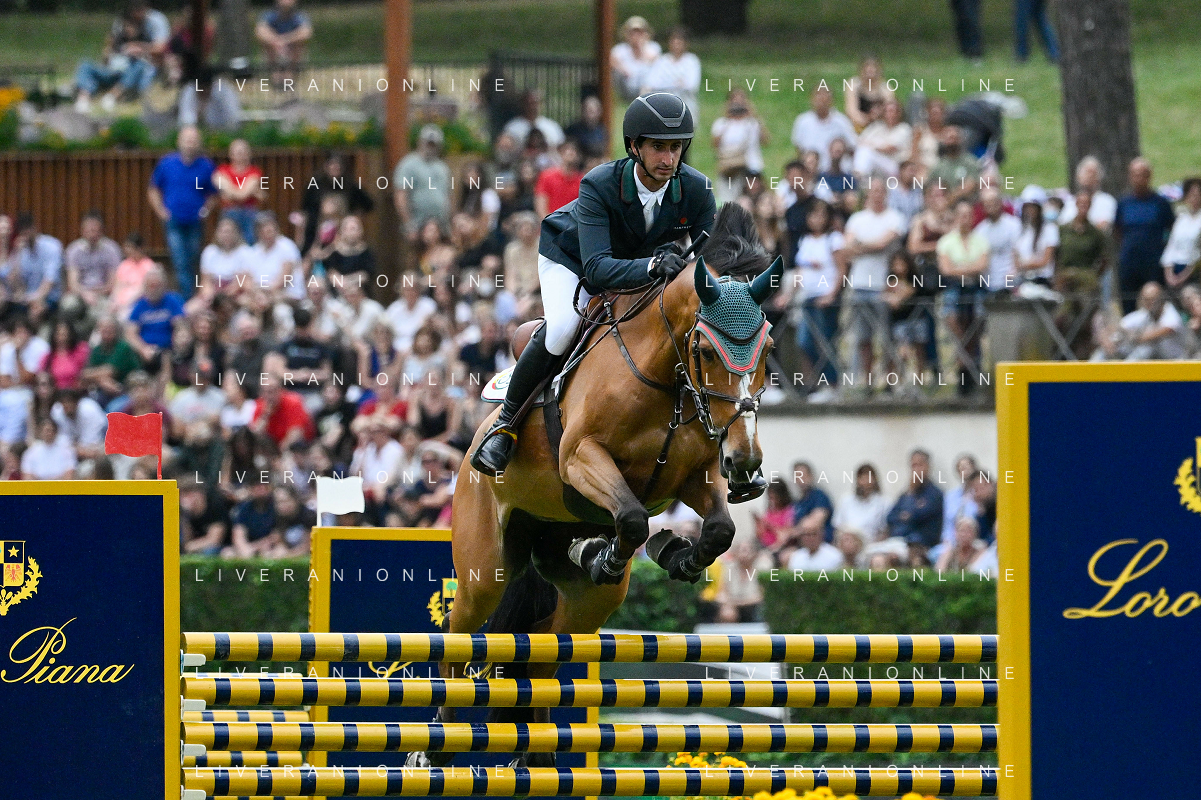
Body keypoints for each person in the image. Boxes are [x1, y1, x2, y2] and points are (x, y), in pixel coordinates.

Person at [470, 92, 716, 476]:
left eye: (675, 148)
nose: (669, 159)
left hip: (640, 267)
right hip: (572, 261)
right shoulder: (599, 184)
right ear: (634, 146)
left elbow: (712, 262)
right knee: (563, 329)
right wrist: (654, 265)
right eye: (658, 147)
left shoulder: (697, 189)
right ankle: (505, 425)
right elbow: (598, 270)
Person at [842, 179, 905, 390]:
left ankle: (889, 381)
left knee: (887, 338)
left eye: (880, 191)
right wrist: (870, 246)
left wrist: (861, 245)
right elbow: (847, 248)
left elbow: (883, 243)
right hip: (860, 284)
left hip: (884, 285)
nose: (877, 194)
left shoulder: (895, 218)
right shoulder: (857, 219)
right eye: (873, 191)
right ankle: (867, 382)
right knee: (863, 338)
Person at [147, 126, 217, 300]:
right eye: (187, 140)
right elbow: (153, 189)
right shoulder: (167, 163)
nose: (190, 144)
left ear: (199, 143)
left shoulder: (206, 166)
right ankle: (186, 300)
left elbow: (214, 193)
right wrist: (161, 211)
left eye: (194, 140)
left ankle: (193, 297)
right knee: (180, 261)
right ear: (179, 142)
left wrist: (205, 211)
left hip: (195, 221)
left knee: (193, 259)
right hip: (173, 221)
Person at [73, 0, 169, 114]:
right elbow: (108, 50)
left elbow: (161, 48)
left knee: (139, 65)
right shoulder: (120, 29)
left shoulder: (154, 22)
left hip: (133, 72)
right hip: (114, 69)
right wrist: (108, 53)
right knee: (85, 65)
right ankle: (83, 99)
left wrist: (138, 49)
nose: (129, 29)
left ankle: (112, 97)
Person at [1114, 158, 1175, 313]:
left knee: (1156, 303)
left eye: (1142, 175)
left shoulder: (1161, 203)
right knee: (1128, 302)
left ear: (1149, 176)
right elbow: (1118, 230)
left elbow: (1171, 229)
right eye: (1135, 175)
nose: (1139, 179)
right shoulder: (1124, 203)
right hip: (1129, 262)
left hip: (1153, 262)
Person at [1092, 281, 1187, 361]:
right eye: (1146, 299)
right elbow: (1120, 326)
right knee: (1103, 351)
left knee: (1146, 348)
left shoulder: (1171, 315)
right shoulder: (1145, 314)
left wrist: (1128, 336)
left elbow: (1150, 337)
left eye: (1152, 299)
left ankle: (1124, 373)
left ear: (1161, 299)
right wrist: (1107, 339)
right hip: (1154, 362)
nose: (1149, 303)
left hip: (1173, 362)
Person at [393, 125, 453, 247]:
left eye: (433, 144)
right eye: (428, 143)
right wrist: (409, 225)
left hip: (440, 226)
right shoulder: (408, 164)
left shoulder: (442, 167)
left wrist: (449, 222)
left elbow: (449, 195)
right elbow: (401, 195)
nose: (430, 147)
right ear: (420, 142)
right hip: (417, 225)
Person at [640, 27, 701, 144]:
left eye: (679, 42)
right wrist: (677, 82)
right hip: (664, 111)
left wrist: (666, 83)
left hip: (686, 109)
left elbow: (691, 85)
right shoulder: (662, 61)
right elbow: (651, 83)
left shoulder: (692, 61)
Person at [710, 89, 769, 204]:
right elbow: (715, 144)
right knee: (728, 201)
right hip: (729, 169)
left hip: (751, 167)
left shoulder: (752, 122)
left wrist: (754, 114)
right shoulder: (721, 123)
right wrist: (727, 117)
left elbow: (765, 140)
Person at [886, 449, 944, 563]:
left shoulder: (935, 494)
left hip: (921, 545)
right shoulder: (907, 493)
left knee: (899, 557)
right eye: (913, 466)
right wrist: (910, 495)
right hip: (897, 541)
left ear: (928, 467)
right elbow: (890, 517)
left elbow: (919, 516)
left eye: (920, 465)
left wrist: (907, 515)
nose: (916, 470)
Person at [6, 213, 64, 325]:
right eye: (23, 233)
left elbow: (50, 281)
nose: (26, 236)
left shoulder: (52, 246)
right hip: (26, 299)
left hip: (49, 297)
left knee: (36, 310)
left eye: (28, 232)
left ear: (34, 229)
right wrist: (18, 254)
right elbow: (13, 282)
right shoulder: (20, 250)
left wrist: (36, 298)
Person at [125, 267, 184, 368]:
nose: (153, 289)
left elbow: (180, 325)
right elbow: (130, 333)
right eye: (150, 286)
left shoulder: (173, 301)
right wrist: (143, 349)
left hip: (169, 349)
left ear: (164, 285)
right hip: (145, 352)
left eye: (157, 285)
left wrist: (176, 341)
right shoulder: (140, 305)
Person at [790, 86, 857, 173]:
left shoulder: (842, 122)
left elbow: (852, 147)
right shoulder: (803, 121)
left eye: (825, 98)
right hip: (811, 172)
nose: (821, 101)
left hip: (836, 172)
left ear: (831, 100)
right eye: (818, 97)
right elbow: (799, 149)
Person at [64, 211, 121, 312]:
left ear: (101, 231)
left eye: (94, 230)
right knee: (68, 305)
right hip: (80, 293)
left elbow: (113, 282)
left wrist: (97, 293)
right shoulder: (74, 250)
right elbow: (73, 283)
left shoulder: (112, 249)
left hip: (103, 294)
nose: (91, 234)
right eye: (88, 230)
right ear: (82, 231)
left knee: (102, 311)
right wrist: (85, 294)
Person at [214, 139, 266, 246]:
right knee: (226, 242)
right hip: (229, 212)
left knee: (250, 243)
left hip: (248, 213)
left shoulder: (254, 171)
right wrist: (251, 192)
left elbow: (243, 195)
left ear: (249, 154)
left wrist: (230, 193)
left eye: (243, 152)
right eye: (237, 152)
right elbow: (243, 193)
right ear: (230, 154)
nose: (240, 155)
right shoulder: (222, 170)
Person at [254, 0, 313, 84]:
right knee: (268, 44)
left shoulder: (300, 16)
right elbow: (260, 31)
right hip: (274, 49)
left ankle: (290, 72)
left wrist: (285, 40)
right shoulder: (268, 15)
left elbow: (306, 33)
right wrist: (276, 41)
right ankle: (275, 72)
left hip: (291, 49)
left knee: (299, 45)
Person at [853, 99, 911, 178]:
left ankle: (858, 177)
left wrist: (871, 146)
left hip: (894, 165)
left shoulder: (904, 129)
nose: (889, 114)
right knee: (860, 153)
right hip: (877, 161)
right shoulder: (878, 126)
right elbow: (860, 141)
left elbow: (889, 149)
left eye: (892, 111)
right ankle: (858, 175)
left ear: (899, 113)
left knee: (865, 151)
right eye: (887, 111)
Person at [1014, 186, 1060, 286]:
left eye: (1032, 207)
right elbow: (1015, 256)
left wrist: (1027, 264)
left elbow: (1046, 260)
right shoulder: (1022, 230)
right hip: (1023, 278)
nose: (1029, 210)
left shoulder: (1050, 229)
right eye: (1027, 207)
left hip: (1042, 280)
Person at [1162, 177, 1201, 290]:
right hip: (1175, 269)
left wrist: (1185, 275)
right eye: (1191, 194)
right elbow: (1171, 245)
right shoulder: (1181, 218)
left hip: (1194, 272)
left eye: (1197, 194)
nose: (1194, 198)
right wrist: (1169, 273)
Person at [609, 16, 661, 101]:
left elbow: (653, 62)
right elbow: (611, 61)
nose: (636, 36)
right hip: (627, 84)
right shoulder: (620, 49)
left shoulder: (653, 47)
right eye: (632, 33)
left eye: (639, 33)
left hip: (646, 85)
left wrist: (641, 47)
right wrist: (623, 70)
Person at [1061, 156, 1117, 232]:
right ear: (1078, 177)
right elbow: (1063, 226)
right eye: (1086, 172)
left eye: (1093, 173)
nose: (1089, 176)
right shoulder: (1070, 202)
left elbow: (1103, 227)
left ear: (1099, 178)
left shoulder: (1107, 201)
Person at [929, 126, 980, 207]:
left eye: (955, 138)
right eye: (949, 138)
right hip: (943, 207)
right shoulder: (938, 166)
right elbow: (930, 187)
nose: (952, 142)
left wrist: (950, 199)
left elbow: (970, 185)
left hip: (967, 205)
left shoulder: (970, 161)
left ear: (960, 140)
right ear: (944, 141)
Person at [534, 139, 585, 219]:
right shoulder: (547, 176)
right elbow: (541, 205)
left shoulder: (583, 181)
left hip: (573, 223)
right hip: (551, 222)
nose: (570, 153)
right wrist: (550, 223)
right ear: (561, 154)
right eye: (567, 151)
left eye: (573, 151)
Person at [844, 55, 896, 132]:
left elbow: (891, 111)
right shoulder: (854, 85)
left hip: (879, 126)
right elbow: (851, 111)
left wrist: (879, 114)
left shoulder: (885, 89)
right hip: (857, 125)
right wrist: (867, 120)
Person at [564, 95, 609, 160]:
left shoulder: (602, 131)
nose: (589, 114)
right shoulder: (573, 130)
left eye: (592, 111)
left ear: (599, 112)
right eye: (587, 110)